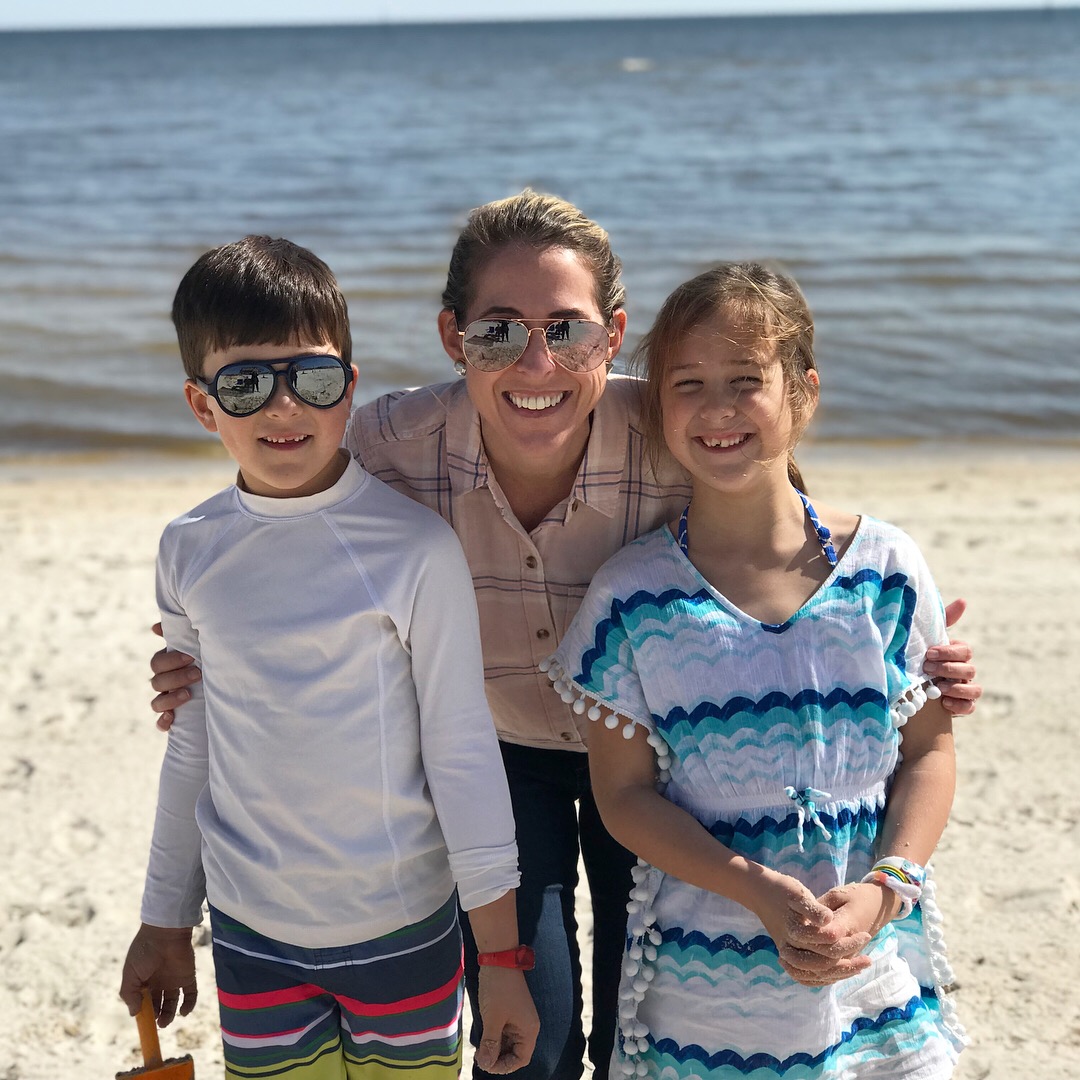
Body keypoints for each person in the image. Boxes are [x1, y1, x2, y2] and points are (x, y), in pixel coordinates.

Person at [146, 194, 982, 1080]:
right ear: (452, 336)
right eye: (497, 332)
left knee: (643, 1009)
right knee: (529, 1039)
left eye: (567, 330)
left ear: (613, 335)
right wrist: (207, 644)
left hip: (665, 764)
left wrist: (909, 653)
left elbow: (776, 528)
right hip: (496, 751)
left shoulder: (678, 425)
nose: (535, 362)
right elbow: (288, 510)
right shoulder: (389, 442)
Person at [118, 235, 539, 1079]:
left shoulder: (415, 548)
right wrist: (165, 920)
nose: (283, 408)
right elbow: (192, 746)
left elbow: (461, 752)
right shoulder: (188, 549)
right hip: (251, 933)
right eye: (246, 384)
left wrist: (499, 960)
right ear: (202, 406)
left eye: (310, 378)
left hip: (402, 931)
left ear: (349, 385)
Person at [544, 261, 966, 1078]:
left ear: (802, 392)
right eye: (688, 384)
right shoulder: (631, 597)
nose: (718, 408)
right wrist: (757, 890)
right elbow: (623, 797)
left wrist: (885, 889)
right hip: (705, 983)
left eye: (746, 380)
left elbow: (929, 753)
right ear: (657, 406)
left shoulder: (884, 568)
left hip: (872, 966)